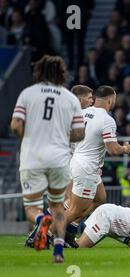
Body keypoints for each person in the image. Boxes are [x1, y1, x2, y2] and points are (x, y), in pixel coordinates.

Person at [10, 55, 85, 263]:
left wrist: (30, 136)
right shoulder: (70, 98)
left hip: (32, 157)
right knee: (58, 206)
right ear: (62, 73)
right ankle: (58, 252)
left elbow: (16, 125)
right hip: (59, 158)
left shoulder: (28, 94)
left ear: (39, 72)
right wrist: (60, 135)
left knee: (32, 207)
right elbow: (79, 133)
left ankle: (42, 220)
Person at [65, 86, 130, 247]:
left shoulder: (82, 113)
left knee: (100, 198)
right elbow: (113, 149)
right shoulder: (107, 120)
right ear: (110, 99)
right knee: (75, 210)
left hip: (78, 161)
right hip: (86, 167)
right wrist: (124, 149)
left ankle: (71, 229)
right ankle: (47, 233)